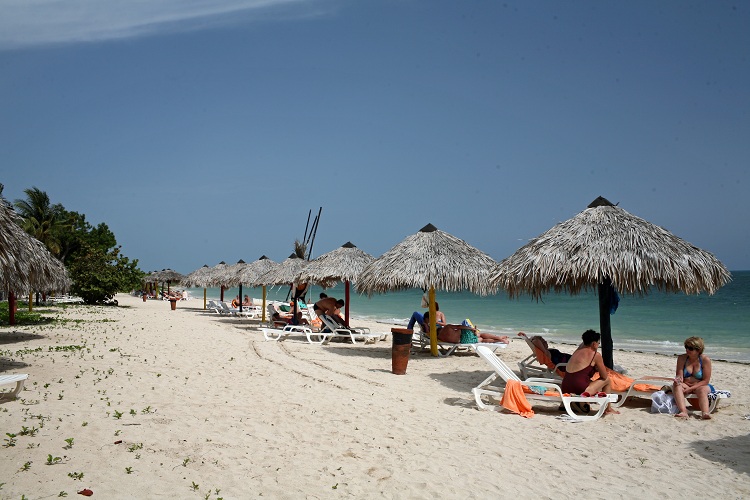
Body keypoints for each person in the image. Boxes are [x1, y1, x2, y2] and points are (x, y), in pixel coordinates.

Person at [560, 329, 619, 415]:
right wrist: (597, 369)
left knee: (585, 380)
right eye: (598, 343)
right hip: (580, 389)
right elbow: (604, 376)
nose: (599, 345)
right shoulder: (595, 355)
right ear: (593, 344)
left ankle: (574, 403)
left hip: (565, 388)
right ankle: (608, 408)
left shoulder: (577, 352)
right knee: (607, 380)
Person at [673, 336, 713, 420]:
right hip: (686, 384)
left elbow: (705, 381)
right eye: (686, 347)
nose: (687, 350)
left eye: (690, 348)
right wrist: (678, 381)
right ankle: (683, 411)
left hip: (701, 385)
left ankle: (705, 413)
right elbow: (679, 376)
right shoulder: (682, 358)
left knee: (701, 390)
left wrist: (691, 389)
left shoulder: (705, 360)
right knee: (676, 385)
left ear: (698, 350)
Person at [422, 309, 508, 344]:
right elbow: (459, 326)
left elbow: (427, 333)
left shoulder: (440, 337)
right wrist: (471, 328)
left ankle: (499, 339)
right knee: (479, 334)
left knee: (481, 340)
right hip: (465, 335)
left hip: (462, 341)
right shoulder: (447, 327)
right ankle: (499, 338)